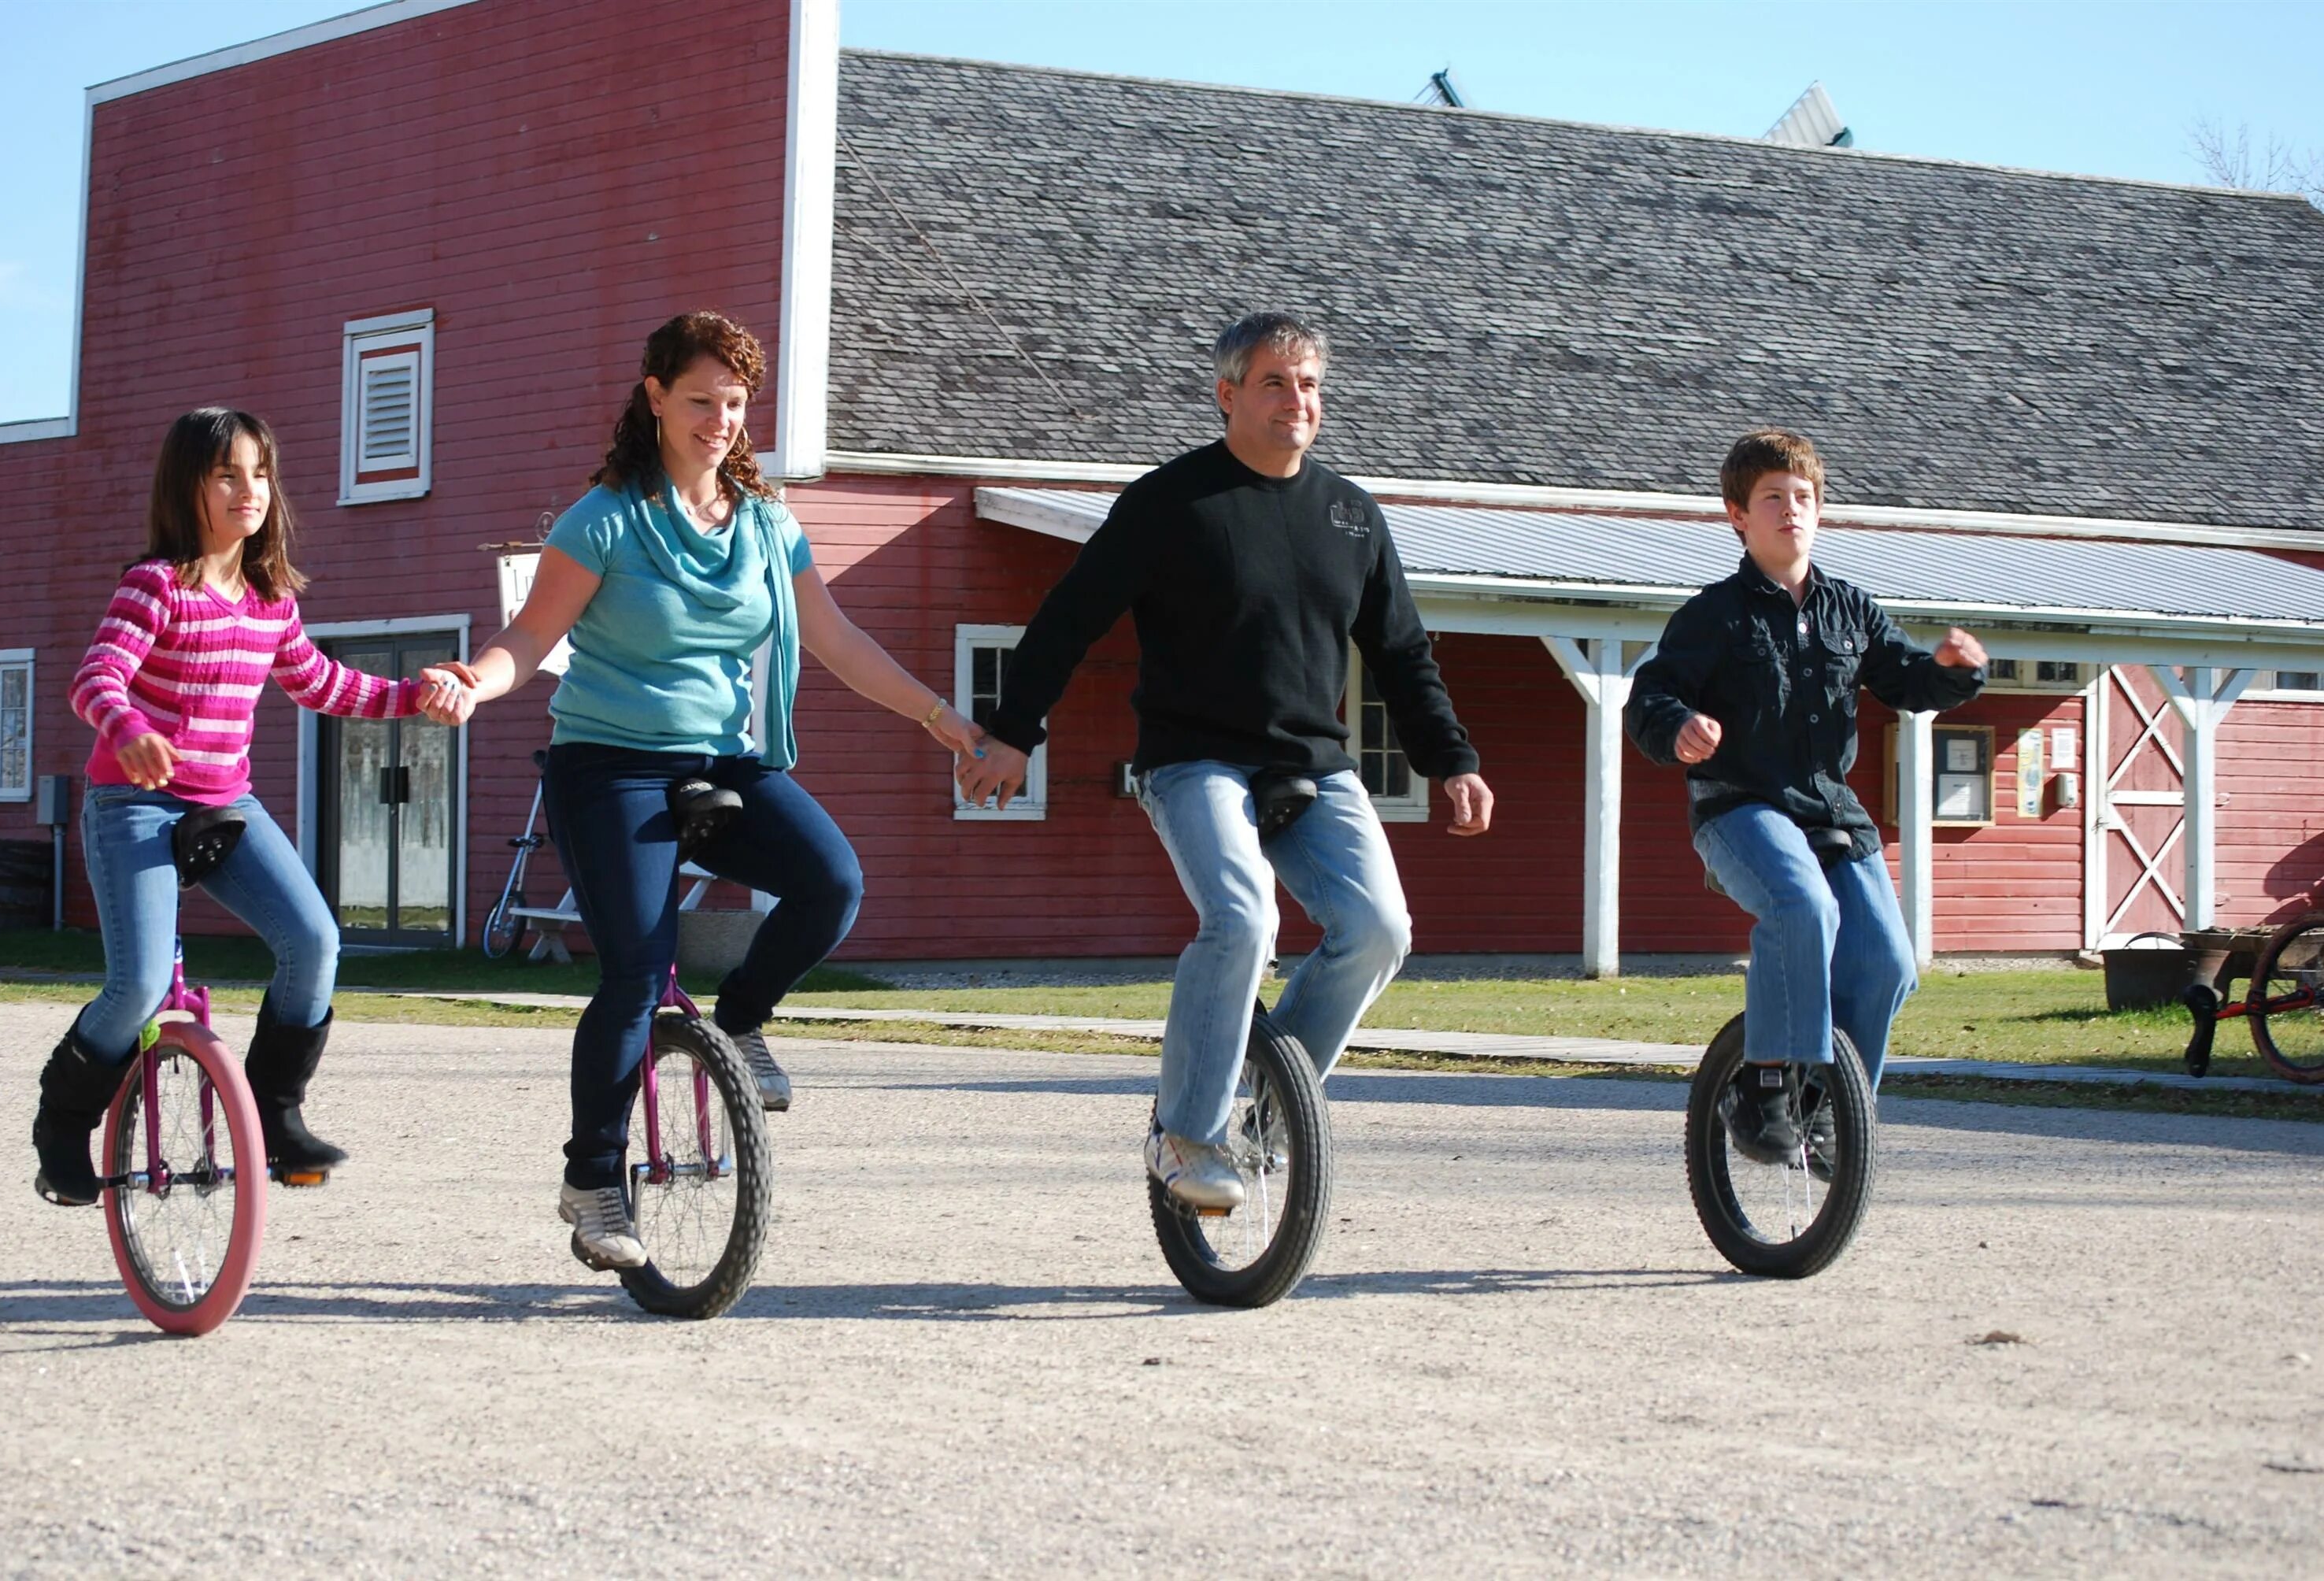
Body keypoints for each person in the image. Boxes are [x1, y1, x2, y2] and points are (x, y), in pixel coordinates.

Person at [451, 310, 981, 1272]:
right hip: (608, 763)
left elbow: (839, 643)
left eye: (736, 404)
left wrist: (941, 717)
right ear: (654, 397)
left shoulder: (771, 526)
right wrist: (473, 681)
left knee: (830, 882)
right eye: (701, 401)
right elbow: (531, 639)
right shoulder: (604, 517)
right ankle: (594, 1179)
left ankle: (737, 1023)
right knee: (634, 967)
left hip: (723, 760)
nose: (721, 421)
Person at [960, 311, 1494, 1211]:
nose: (1299, 400)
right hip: (1193, 760)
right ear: (1228, 395)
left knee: (1381, 930)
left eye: (1311, 384)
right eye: (1276, 383)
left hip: (1313, 767)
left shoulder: (1350, 516)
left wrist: (1452, 759)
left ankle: (1270, 1109)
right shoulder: (1171, 503)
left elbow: (1403, 654)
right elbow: (1068, 618)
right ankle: (1186, 1132)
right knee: (1243, 918)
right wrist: (1014, 729)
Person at [31, 408, 471, 1205]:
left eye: (260, 473)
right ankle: (61, 1126)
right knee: (135, 988)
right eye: (227, 473)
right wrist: (126, 727)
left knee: (315, 940)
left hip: (224, 805)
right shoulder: (155, 585)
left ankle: (273, 1110)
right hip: (133, 805)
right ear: (188, 486)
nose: (249, 489)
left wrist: (416, 695)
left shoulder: (270, 600)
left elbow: (323, 684)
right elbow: (95, 676)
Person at [1627, 428, 1987, 1164]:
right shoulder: (1715, 614)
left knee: (1888, 961)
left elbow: (1907, 679)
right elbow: (1650, 697)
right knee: (1802, 907)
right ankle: (1762, 1088)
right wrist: (1680, 727)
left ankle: (1828, 1107)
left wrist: (1952, 671)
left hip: (1830, 811)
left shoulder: (1851, 611)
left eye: (1803, 497)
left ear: (1819, 509)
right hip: (1741, 806)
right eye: (1772, 499)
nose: (1791, 510)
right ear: (1738, 515)